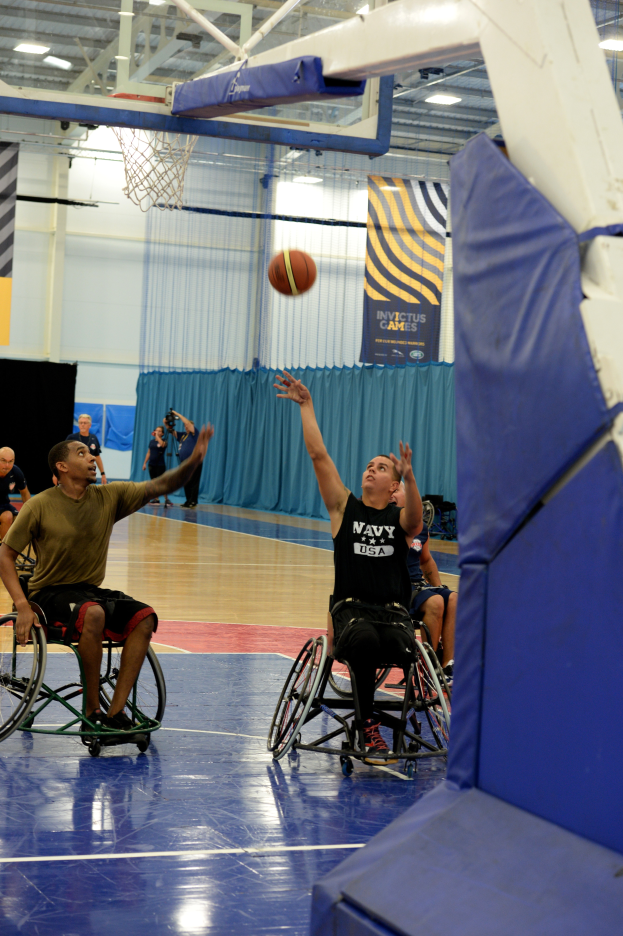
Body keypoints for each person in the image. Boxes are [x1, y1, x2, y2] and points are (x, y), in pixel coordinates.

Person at [0, 425, 214, 734]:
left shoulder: (109, 496)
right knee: (94, 613)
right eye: (82, 453)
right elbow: (5, 555)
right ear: (62, 466)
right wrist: (21, 604)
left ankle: (115, 713)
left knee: (144, 617)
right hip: (48, 594)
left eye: (91, 453)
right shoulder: (40, 504)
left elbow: (162, 485)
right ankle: (92, 712)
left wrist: (193, 460)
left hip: (88, 592)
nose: (92, 457)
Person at [274, 370, 422, 764]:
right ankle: (367, 725)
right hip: (352, 614)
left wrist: (412, 478)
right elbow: (319, 455)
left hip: (392, 615)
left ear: (394, 486)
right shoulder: (344, 507)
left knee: (399, 646)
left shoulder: (399, 519)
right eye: (369, 465)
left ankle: (390, 722)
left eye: (382, 467)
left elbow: (416, 521)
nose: (371, 469)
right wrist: (306, 406)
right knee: (368, 644)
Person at [390, 484, 456, 682]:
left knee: (453, 598)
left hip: (418, 586)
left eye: (396, 491)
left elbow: (426, 560)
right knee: (435, 602)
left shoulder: (420, 526)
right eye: (390, 492)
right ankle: (429, 669)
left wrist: (440, 587)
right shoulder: (385, 524)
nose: (392, 495)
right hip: (396, 587)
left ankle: (447, 666)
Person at [170, 409, 201, 508]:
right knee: (186, 481)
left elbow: (186, 422)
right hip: (184, 462)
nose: (186, 426)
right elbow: (172, 432)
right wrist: (167, 423)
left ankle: (193, 501)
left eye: (187, 425)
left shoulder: (194, 433)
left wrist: (177, 414)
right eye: (185, 426)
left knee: (194, 481)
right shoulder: (183, 435)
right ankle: (188, 500)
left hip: (194, 461)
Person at [0, 447, 31, 541]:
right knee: (7, 516)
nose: (7, 465)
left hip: (3, 504)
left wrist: (31, 512)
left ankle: (4, 549)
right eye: (3, 461)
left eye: (11, 461)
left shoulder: (16, 471)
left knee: (16, 518)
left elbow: (25, 493)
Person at [66, 414, 107, 484]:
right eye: (81, 423)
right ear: (78, 425)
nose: (82, 425)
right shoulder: (71, 438)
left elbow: (97, 457)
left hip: (89, 473)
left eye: (85, 423)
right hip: (75, 472)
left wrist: (103, 474)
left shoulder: (94, 438)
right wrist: (56, 474)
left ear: (90, 425)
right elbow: (63, 454)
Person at [142, 426, 172, 507]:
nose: (157, 432)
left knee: (162, 483)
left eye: (159, 431)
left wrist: (157, 437)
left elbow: (162, 445)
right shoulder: (152, 442)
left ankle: (167, 500)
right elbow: (149, 452)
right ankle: (156, 499)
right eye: (156, 430)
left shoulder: (164, 441)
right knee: (154, 482)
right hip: (152, 465)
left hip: (160, 465)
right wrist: (144, 463)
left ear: (162, 433)